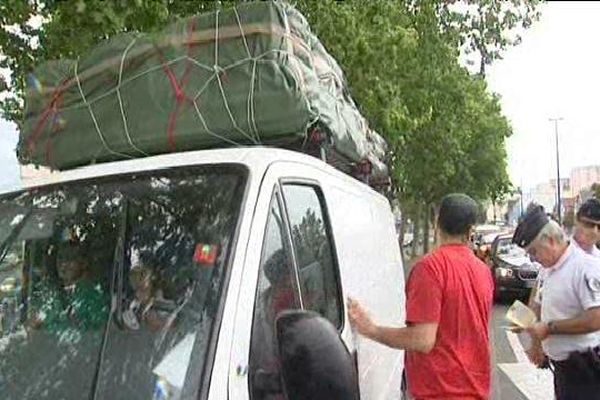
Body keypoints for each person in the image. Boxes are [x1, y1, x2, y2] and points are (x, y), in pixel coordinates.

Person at [348, 193, 494, 400]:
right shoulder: (483, 271)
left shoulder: (430, 269)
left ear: (436, 222)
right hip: (476, 390)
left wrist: (371, 330)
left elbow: (423, 339)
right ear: (470, 231)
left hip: (440, 392)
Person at [512, 206, 600, 399]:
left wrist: (549, 328)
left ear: (551, 241)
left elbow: (596, 318)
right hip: (563, 369)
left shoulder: (586, 268)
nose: (533, 258)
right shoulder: (549, 268)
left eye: (534, 251)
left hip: (586, 369)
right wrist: (528, 331)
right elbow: (538, 302)